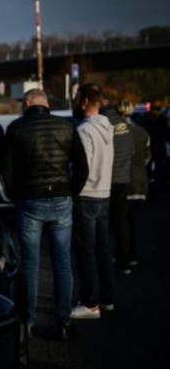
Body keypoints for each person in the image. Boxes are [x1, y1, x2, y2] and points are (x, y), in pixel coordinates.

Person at [3, 88, 88, 340]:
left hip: (29, 201)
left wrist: (14, 194)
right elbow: (82, 166)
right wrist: (71, 192)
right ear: (47, 103)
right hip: (62, 198)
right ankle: (63, 322)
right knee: (63, 263)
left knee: (30, 265)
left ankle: (27, 322)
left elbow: (7, 170)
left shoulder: (16, 128)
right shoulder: (67, 125)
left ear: (27, 103)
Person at [70, 84, 116, 320]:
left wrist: (72, 191)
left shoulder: (84, 130)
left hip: (86, 195)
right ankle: (107, 298)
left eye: (79, 97)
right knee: (103, 249)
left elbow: (81, 168)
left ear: (86, 100)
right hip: (104, 193)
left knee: (85, 251)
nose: (77, 101)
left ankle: (90, 303)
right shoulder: (107, 126)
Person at [101, 102, 135, 274]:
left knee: (106, 224)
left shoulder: (105, 125)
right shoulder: (125, 126)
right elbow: (131, 151)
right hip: (124, 179)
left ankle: (109, 260)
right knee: (123, 223)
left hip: (108, 181)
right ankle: (125, 261)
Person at [119, 100, 151, 267]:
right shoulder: (142, 132)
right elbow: (147, 157)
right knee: (130, 221)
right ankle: (131, 255)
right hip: (139, 181)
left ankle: (124, 257)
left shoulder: (118, 132)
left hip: (122, 181)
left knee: (121, 221)